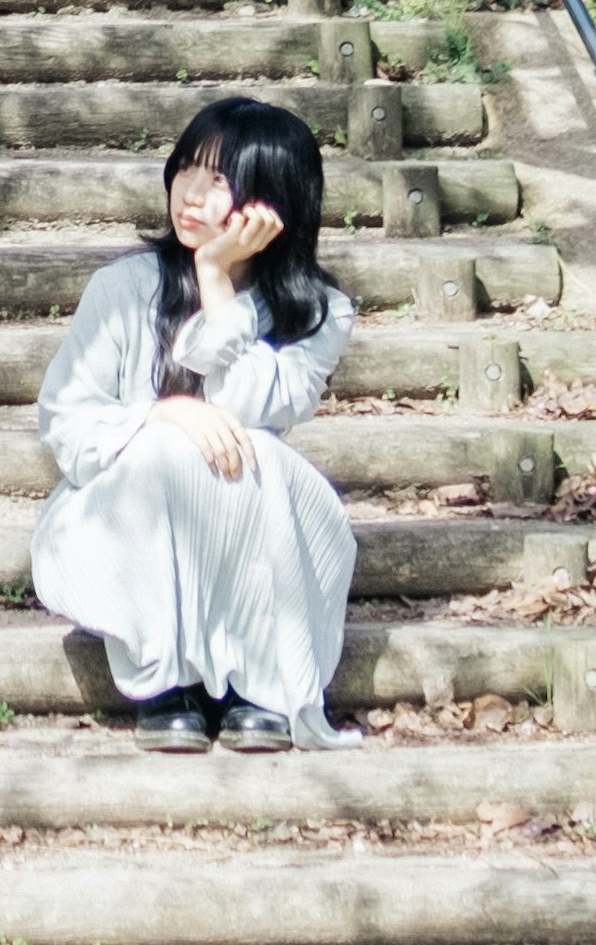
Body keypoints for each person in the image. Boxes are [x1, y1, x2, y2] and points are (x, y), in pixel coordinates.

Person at [27, 94, 359, 754]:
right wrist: (163, 414)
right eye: (187, 170)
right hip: (127, 508)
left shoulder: (319, 311)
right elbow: (65, 419)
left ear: (273, 203)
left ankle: (258, 683)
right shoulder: (124, 289)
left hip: (245, 505)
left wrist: (214, 279)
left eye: (219, 181)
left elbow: (246, 410)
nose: (192, 195)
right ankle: (164, 683)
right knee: (164, 454)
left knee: (264, 460)